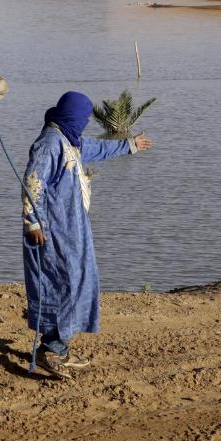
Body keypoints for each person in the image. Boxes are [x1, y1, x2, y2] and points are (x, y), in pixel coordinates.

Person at [22, 91, 153, 380]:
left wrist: (129, 145)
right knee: (61, 282)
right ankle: (51, 348)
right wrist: (33, 223)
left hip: (72, 227)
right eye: (82, 118)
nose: (84, 124)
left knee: (79, 280)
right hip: (52, 229)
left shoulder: (70, 140)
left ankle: (59, 345)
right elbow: (33, 183)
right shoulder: (49, 143)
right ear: (70, 115)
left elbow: (96, 148)